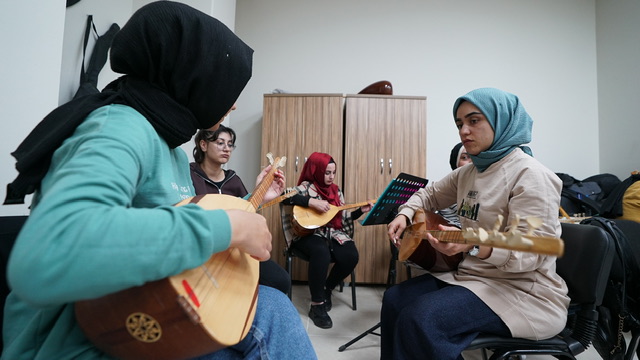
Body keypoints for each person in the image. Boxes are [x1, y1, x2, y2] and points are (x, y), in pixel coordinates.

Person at [1, 2, 316, 359]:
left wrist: (253, 204)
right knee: (271, 311)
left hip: (148, 321)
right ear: (195, 78)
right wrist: (231, 227)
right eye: (229, 90)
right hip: (81, 343)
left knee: (266, 307)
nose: (232, 107)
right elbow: (48, 254)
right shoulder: (120, 128)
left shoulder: (171, 151)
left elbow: (172, 223)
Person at [382, 88, 570, 360]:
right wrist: (405, 213)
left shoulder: (531, 175)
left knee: (421, 319)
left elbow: (532, 251)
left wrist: (471, 245)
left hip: (521, 291)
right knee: (394, 300)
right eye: (459, 124)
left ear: (501, 120)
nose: (463, 131)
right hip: (474, 278)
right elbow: (428, 194)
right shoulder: (469, 172)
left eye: (474, 120)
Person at [190, 124, 291, 294]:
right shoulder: (190, 175)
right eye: (220, 143)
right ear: (203, 145)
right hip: (204, 248)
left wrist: (260, 195)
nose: (227, 149)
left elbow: (247, 213)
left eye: (230, 144)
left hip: (236, 248)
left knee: (281, 280)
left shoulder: (233, 180)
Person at [281, 152, 372, 329]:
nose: (330, 177)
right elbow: (285, 197)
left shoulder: (336, 191)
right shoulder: (306, 187)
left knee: (350, 255)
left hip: (332, 233)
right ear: (316, 170)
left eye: (333, 173)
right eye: (326, 172)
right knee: (320, 251)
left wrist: (361, 210)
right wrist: (311, 203)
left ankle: (326, 289)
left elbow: (343, 216)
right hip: (308, 234)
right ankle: (317, 305)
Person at [437, 142, 472, 227]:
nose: (471, 162)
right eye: (465, 157)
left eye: (474, 157)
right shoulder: (447, 189)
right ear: (455, 163)